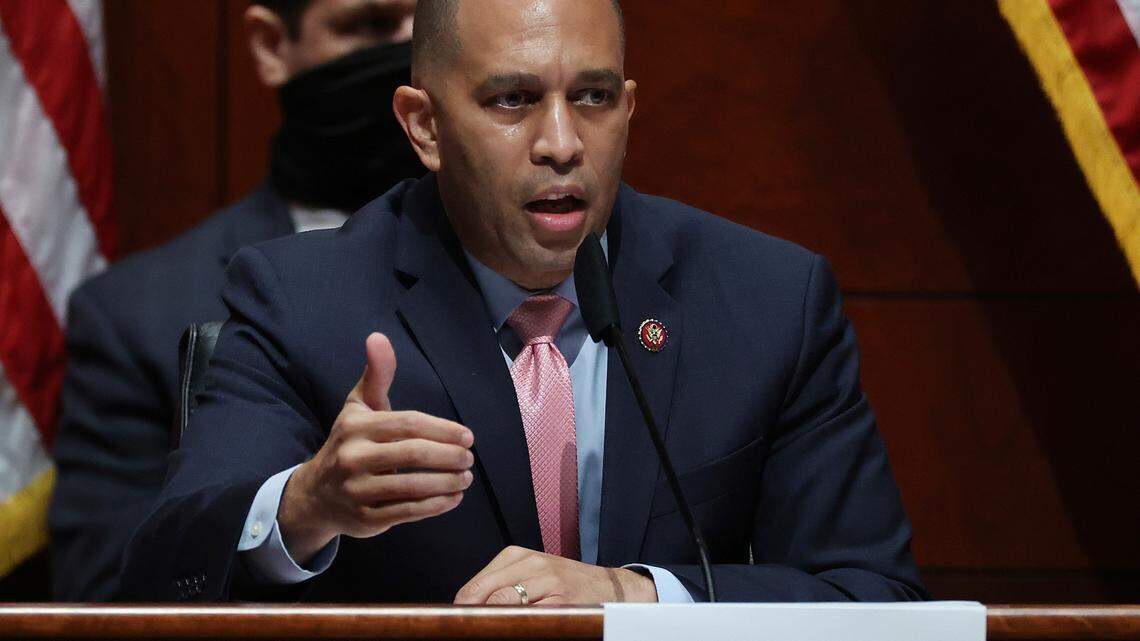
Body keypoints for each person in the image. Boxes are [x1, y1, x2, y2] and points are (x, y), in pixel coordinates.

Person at [121, 0, 926, 604]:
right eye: (512, 100)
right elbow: (157, 580)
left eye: (594, 98)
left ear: (629, 110)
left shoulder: (767, 301)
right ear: (424, 126)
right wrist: (306, 503)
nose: (562, 143)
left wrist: (637, 597)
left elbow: (876, 597)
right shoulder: (305, 300)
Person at [48, 0, 423, 601]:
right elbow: (103, 598)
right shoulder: (137, 316)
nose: (409, 59)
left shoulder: (539, 280)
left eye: (428, 28)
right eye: (372, 27)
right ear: (273, 45)